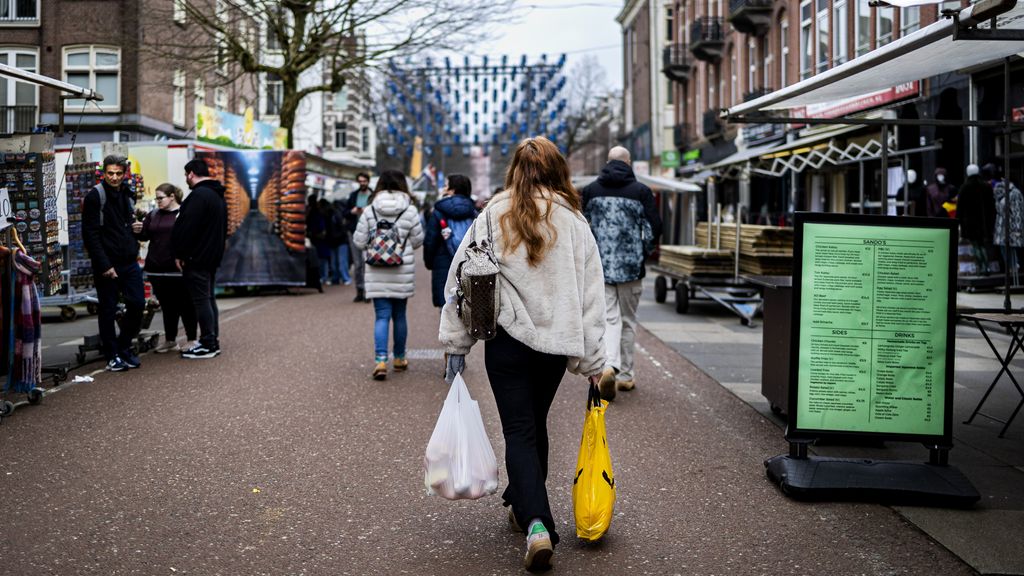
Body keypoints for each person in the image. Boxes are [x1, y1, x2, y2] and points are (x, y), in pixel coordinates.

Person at [439, 137, 606, 572]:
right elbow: (592, 297)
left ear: (515, 169)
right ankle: (522, 507)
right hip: (554, 346)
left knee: (519, 430)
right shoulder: (575, 222)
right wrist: (592, 363)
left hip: (508, 342)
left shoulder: (493, 214)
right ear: (557, 171)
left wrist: (456, 345)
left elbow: (461, 278)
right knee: (535, 424)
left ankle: (535, 523)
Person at [582, 146, 662, 401]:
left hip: (601, 267)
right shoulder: (641, 192)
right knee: (628, 320)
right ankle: (625, 374)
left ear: (607, 162)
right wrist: (643, 252)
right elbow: (653, 228)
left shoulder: (591, 190)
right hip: (631, 267)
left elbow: (584, 227)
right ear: (629, 162)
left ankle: (608, 365)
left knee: (608, 319)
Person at [352, 170, 425, 380]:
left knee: (381, 316)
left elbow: (358, 241)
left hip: (376, 269)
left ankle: (381, 360)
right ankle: (400, 358)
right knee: (400, 315)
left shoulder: (369, 209)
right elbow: (418, 240)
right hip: (401, 269)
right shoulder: (410, 210)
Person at [82, 155, 146, 372]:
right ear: (104, 173)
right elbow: (90, 234)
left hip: (129, 261)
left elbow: (127, 225)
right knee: (108, 309)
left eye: (118, 173)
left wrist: (138, 230)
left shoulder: (128, 194)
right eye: (110, 173)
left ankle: (124, 347)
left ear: (124, 173)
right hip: (107, 263)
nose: (115, 177)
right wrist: (104, 265)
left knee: (138, 303)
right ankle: (112, 355)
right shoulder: (94, 196)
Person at [172, 158, 228, 359]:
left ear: (191, 174)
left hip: (196, 258)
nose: (186, 179)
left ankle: (207, 343)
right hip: (211, 256)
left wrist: (180, 253)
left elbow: (187, 228)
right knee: (209, 299)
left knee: (201, 300)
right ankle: (212, 339)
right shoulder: (217, 195)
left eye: (186, 175)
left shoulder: (198, 196)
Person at [132, 183, 198, 353]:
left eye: (161, 198)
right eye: (157, 198)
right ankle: (170, 340)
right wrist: (138, 230)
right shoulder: (153, 215)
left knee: (186, 304)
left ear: (172, 197)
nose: (158, 201)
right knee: (168, 306)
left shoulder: (184, 213)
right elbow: (145, 236)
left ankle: (192, 339)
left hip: (178, 268)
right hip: (156, 268)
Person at [423, 174, 477, 308]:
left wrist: (430, 262)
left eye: (446, 185)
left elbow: (430, 241)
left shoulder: (438, 212)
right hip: (468, 263)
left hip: (443, 262)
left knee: (446, 307)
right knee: (468, 306)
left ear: (452, 190)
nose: (444, 188)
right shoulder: (474, 212)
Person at [957, 164, 996, 276]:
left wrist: (959, 223)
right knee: (982, 245)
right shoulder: (986, 187)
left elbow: (960, 209)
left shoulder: (964, 188)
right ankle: (986, 267)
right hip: (984, 223)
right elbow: (992, 206)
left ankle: (981, 267)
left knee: (976, 246)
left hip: (970, 224)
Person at [345, 172, 373, 302]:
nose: (362, 183)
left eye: (364, 181)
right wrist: (352, 211)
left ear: (368, 181)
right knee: (357, 264)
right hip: (354, 232)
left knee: (368, 263)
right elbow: (345, 213)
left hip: (370, 233)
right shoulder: (353, 196)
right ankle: (360, 290)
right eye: (360, 181)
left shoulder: (373, 195)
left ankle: (368, 291)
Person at [306, 196, 334, 286]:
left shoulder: (316, 213)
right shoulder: (316, 212)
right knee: (322, 259)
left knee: (322, 259)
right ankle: (323, 277)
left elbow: (322, 229)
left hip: (320, 239)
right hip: (319, 239)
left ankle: (324, 277)